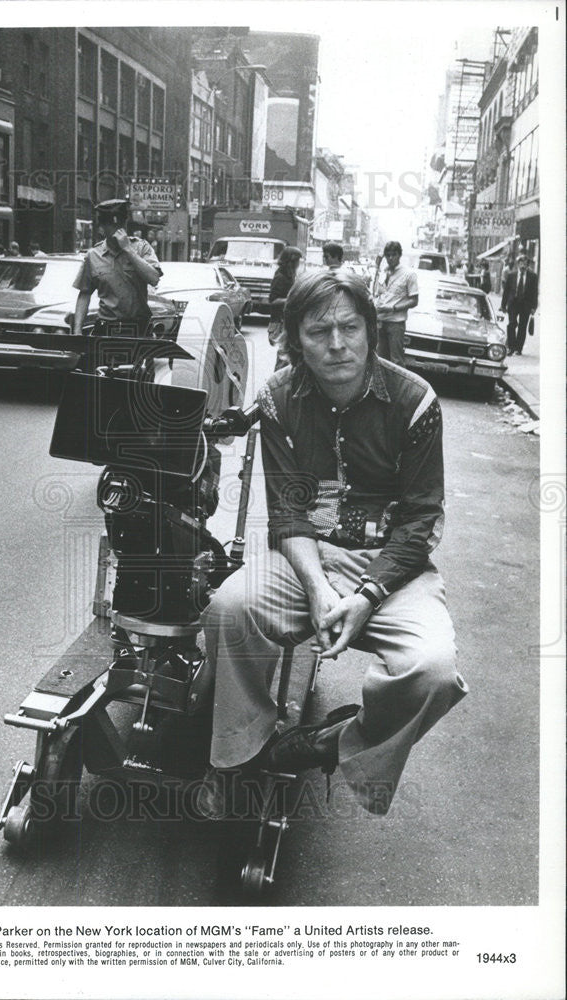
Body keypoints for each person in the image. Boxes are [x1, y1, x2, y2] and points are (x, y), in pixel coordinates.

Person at [197, 268, 468, 820]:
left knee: (434, 671)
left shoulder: (415, 401)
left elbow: (420, 521)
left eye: (350, 327)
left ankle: (334, 743)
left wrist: (366, 595)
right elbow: (288, 513)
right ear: (295, 338)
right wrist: (319, 589)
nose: (337, 344)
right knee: (228, 608)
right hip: (307, 558)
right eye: (319, 331)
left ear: (371, 330)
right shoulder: (276, 399)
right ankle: (239, 754)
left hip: (392, 569)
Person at [72, 199, 162, 337]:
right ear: (102, 227)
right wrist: (77, 330)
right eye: (111, 225)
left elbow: (154, 278)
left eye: (120, 224)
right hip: (106, 327)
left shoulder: (141, 247)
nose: (117, 230)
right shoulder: (93, 255)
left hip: (138, 328)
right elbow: (84, 293)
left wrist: (128, 250)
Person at [373, 241, 418, 367]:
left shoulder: (408, 274)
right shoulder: (383, 272)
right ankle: (383, 386)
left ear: (399, 255)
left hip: (396, 323)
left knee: (396, 361)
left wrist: (393, 308)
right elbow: (375, 292)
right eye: (388, 255)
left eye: (394, 255)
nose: (390, 258)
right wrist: (377, 264)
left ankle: (397, 386)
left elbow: (414, 300)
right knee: (380, 359)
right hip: (380, 321)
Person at [267, 247, 303, 369]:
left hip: (287, 320)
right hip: (280, 321)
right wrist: (292, 300)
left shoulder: (290, 274)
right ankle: (277, 381)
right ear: (291, 261)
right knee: (284, 353)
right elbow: (273, 300)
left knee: (288, 352)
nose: (299, 264)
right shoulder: (280, 276)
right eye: (298, 260)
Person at [500, 253, 538, 356]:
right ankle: (511, 347)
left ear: (528, 265)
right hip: (513, 303)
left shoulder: (533, 277)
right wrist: (503, 305)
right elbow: (506, 291)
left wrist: (534, 307)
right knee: (511, 324)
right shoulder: (511, 275)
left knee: (522, 326)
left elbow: (535, 292)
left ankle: (518, 349)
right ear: (518, 264)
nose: (523, 265)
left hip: (526, 304)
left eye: (525, 263)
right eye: (521, 263)